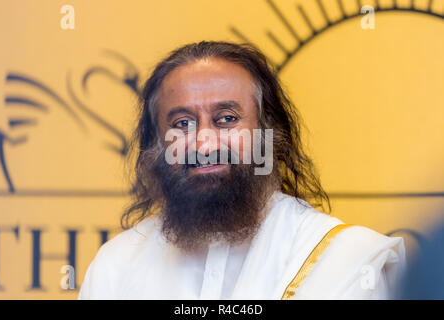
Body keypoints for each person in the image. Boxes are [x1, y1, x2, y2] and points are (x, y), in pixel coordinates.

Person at [78, 41, 405, 299]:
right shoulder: (116, 266)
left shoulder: (349, 260)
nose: (204, 145)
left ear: (267, 134)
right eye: (183, 124)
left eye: (227, 119)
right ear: (157, 146)